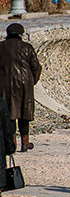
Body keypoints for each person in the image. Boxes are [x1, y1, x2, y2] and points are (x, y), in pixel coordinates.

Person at [0, 23, 42, 152]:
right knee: (24, 113)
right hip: (24, 83)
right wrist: (32, 82)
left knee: (9, 114)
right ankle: (25, 142)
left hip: (4, 84)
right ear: (21, 34)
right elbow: (36, 67)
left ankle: (11, 144)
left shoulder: (1, 47)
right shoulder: (27, 47)